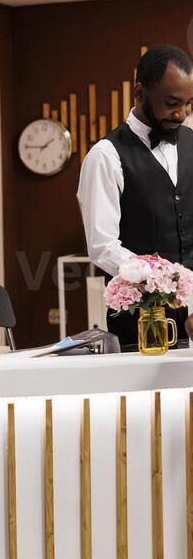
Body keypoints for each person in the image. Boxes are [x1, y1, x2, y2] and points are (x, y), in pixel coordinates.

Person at [77, 44, 193, 349]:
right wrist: (168, 283)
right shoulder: (106, 156)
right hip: (143, 324)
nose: (182, 113)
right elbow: (103, 247)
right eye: (171, 103)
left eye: (189, 103)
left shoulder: (192, 143)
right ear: (140, 94)